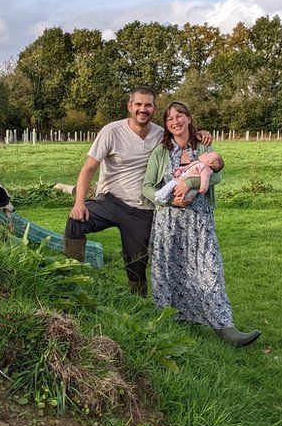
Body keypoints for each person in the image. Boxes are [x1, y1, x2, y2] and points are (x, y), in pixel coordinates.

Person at [63, 87, 210, 296]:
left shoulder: (161, 135)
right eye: (138, 104)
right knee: (76, 221)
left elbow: (183, 136)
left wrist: (200, 134)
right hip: (110, 201)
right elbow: (88, 169)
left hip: (143, 208)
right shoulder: (111, 131)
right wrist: (79, 203)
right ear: (129, 106)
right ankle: (70, 278)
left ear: (154, 108)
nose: (143, 109)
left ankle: (138, 303)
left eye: (148, 105)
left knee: (137, 263)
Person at [142, 101, 261, 347]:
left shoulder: (203, 145)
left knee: (209, 270)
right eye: (169, 118)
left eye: (179, 116)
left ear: (188, 118)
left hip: (200, 221)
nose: (175, 121)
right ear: (166, 125)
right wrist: (169, 201)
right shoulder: (161, 151)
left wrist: (192, 184)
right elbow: (147, 186)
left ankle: (225, 329)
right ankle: (174, 320)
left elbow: (217, 174)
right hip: (169, 222)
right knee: (170, 271)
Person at [153, 151, 223, 204]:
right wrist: (181, 169)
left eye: (207, 154)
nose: (205, 153)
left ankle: (161, 195)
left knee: (174, 186)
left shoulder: (205, 168)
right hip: (182, 178)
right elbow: (188, 167)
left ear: (209, 161)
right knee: (173, 185)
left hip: (189, 185)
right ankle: (166, 197)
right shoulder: (198, 163)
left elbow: (205, 180)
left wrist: (203, 188)